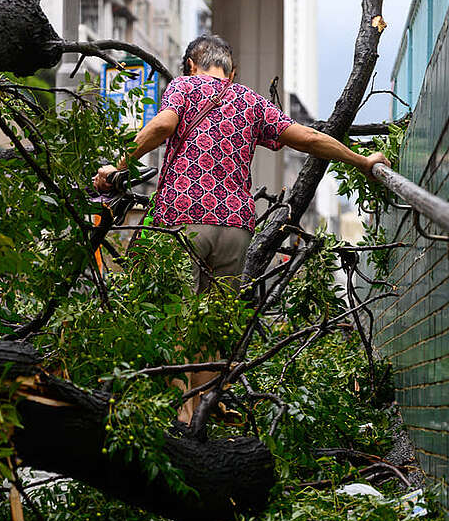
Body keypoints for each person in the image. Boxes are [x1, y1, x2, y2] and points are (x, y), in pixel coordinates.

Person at [93, 34, 390, 423]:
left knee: (177, 324)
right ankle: (204, 418)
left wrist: (118, 163)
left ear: (190, 65)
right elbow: (308, 138)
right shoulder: (250, 101)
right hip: (235, 227)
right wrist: (362, 161)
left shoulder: (185, 87)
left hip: (183, 221)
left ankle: (181, 423)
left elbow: (165, 124)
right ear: (233, 72)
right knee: (212, 330)